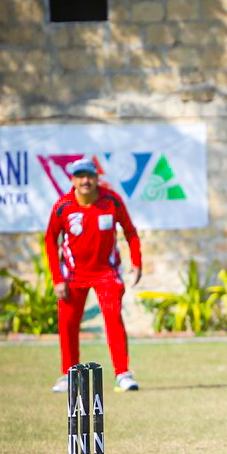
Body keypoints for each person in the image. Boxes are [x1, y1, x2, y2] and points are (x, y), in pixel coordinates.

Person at [45, 158, 142, 393]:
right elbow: (50, 240)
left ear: (97, 178)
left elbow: (130, 232)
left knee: (113, 319)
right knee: (68, 324)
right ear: (73, 180)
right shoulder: (63, 206)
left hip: (106, 273)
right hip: (73, 276)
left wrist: (136, 262)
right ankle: (69, 375)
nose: (85, 181)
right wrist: (57, 279)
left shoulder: (111, 201)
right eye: (80, 176)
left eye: (89, 175)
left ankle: (122, 374)